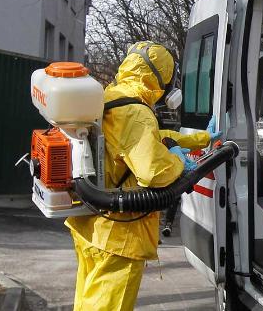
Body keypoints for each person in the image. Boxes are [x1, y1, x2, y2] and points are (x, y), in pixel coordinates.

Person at [65, 42, 212, 310]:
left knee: (88, 302)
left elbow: (145, 140)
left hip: (91, 224)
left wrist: (201, 139)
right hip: (119, 236)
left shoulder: (111, 97)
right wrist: (180, 163)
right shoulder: (137, 112)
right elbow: (154, 172)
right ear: (160, 78)